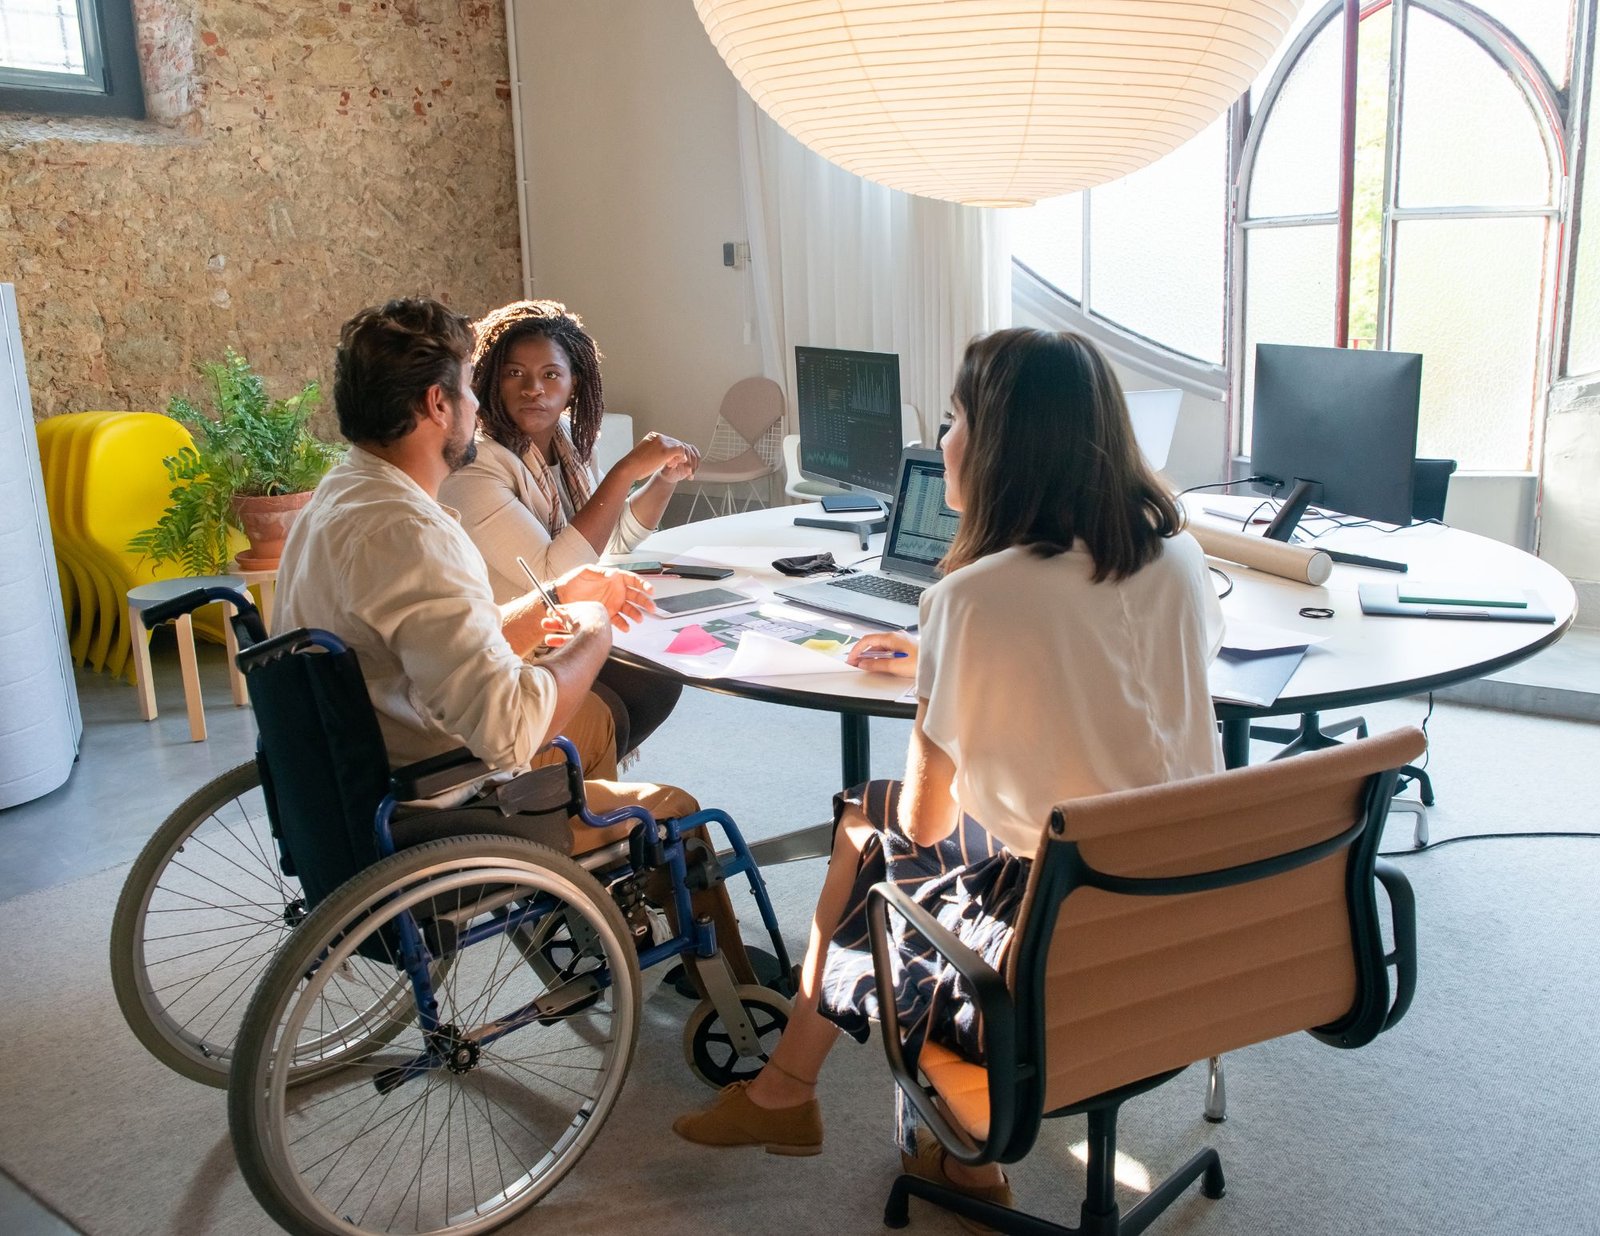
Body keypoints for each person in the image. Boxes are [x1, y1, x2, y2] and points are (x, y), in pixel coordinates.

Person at [672, 328, 1224, 1221]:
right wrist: (955, 664)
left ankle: (795, 1093)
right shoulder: (1181, 559)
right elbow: (1120, 679)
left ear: (1005, 446)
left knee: (871, 828)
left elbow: (927, 824)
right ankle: (849, 1117)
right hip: (1188, 906)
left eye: (955, 419)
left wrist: (950, 667)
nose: (940, 444)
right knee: (874, 820)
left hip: (1055, 935)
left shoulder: (971, 599)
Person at [274, 297, 752, 978]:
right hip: (444, 797)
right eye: (473, 386)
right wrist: (589, 627)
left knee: (619, 687)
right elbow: (507, 729)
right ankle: (733, 1002)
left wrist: (555, 599)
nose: (479, 405)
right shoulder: (415, 533)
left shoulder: (343, 495)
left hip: (354, 770)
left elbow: (432, 640)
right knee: (678, 811)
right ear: (439, 405)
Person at [439, 299, 698, 761]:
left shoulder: (567, 444)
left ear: (574, 383)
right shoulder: (475, 466)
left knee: (659, 666)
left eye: (551, 375)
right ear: (491, 379)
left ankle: (575, 779)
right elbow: (556, 570)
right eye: (515, 373)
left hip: (561, 629)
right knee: (631, 683)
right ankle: (556, 778)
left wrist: (662, 480)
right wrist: (624, 472)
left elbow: (609, 540)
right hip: (510, 652)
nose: (533, 389)